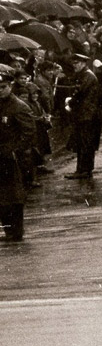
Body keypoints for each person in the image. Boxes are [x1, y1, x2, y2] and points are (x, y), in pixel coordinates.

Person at [0, 69, 35, 241]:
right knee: (2, 197)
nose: (0, 90)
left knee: (14, 196)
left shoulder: (19, 106)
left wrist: (14, 150)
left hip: (12, 159)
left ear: (10, 86)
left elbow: (28, 133)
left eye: (3, 87)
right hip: (1, 157)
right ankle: (8, 231)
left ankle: (16, 231)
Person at [65, 53, 102, 180]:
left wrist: (70, 103)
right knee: (83, 143)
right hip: (86, 114)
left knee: (85, 143)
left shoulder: (87, 76)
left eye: (76, 63)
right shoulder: (84, 75)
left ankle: (83, 170)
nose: (74, 65)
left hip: (88, 115)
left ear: (83, 63)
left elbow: (79, 93)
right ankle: (83, 169)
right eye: (73, 63)